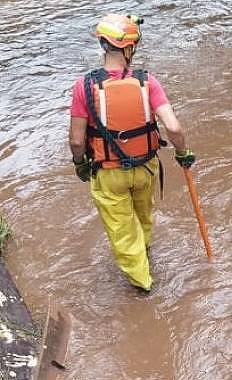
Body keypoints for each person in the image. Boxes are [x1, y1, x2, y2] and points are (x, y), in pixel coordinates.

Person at [68, 14, 195, 291]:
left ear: (104, 44)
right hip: (146, 168)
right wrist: (183, 154)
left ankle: (143, 285)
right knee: (143, 215)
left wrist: (80, 164)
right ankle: (145, 251)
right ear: (130, 48)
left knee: (122, 231)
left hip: (109, 172)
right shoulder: (147, 81)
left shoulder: (84, 86)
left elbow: (77, 141)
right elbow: (173, 127)